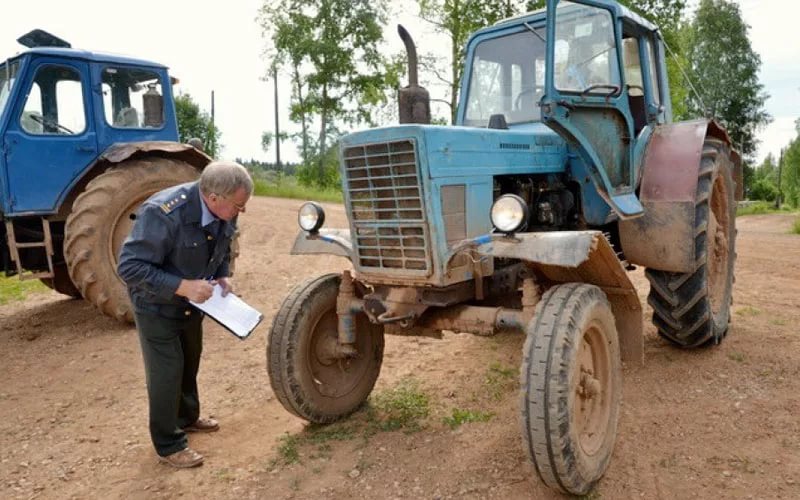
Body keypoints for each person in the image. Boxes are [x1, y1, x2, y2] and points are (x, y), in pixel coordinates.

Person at [117, 161, 253, 468]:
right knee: (167, 372)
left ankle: (187, 418)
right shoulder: (163, 213)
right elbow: (129, 267)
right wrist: (182, 286)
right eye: (238, 206)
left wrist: (221, 275)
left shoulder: (222, 209)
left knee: (190, 359)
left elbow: (222, 243)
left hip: (194, 304)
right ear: (214, 197)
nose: (239, 212)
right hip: (156, 305)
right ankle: (169, 445)